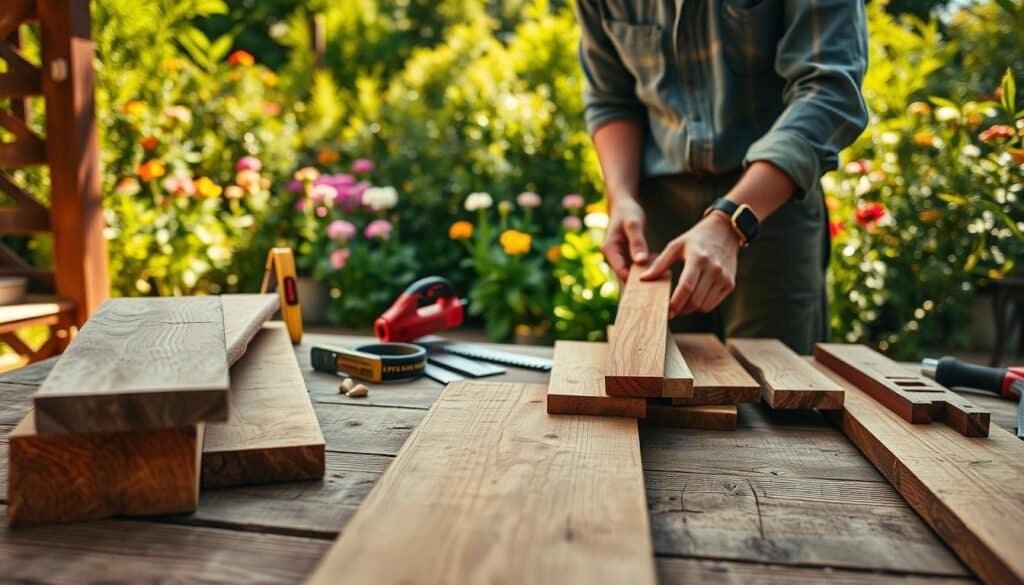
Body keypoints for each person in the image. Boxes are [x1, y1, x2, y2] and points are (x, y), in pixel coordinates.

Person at [576, 0, 868, 353]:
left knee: (775, 393)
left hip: (771, 204)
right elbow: (611, 98)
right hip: (657, 214)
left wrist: (732, 219)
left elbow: (829, 89)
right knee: (652, 385)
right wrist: (621, 196)